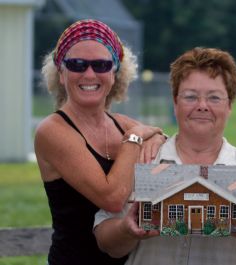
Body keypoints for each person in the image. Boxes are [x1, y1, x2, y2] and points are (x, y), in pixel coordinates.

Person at [94, 47, 236, 265]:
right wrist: (125, 229)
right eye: (191, 96)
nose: (202, 106)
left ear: (230, 105)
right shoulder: (142, 162)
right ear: (175, 103)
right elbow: (105, 240)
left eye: (214, 98)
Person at [34, 19, 166, 265]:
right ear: (61, 74)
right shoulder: (52, 130)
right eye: (77, 64)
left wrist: (157, 137)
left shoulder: (123, 123)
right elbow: (112, 198)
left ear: (115, 74)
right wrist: (134, 140)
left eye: (102, 65)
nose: (89, 74)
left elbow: (169, 156)